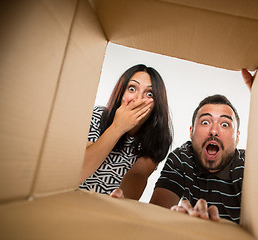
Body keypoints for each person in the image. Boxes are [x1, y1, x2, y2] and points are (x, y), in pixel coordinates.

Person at [79, 64, 173, 200]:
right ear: (121, 92)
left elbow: (133, 187)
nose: (138, 99)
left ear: (156, 104)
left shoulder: (157, 140)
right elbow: (78, 171)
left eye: (149, 94)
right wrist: (118, 127)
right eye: (132, 89)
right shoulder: (97, 116)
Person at [149, 94, 245, 223]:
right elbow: (155, 217)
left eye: (225, 124)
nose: (213, 131)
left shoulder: (248, 166)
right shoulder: (182, 159)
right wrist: (176, 220)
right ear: (191, 132)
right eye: (205, 122)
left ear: (237, 138)